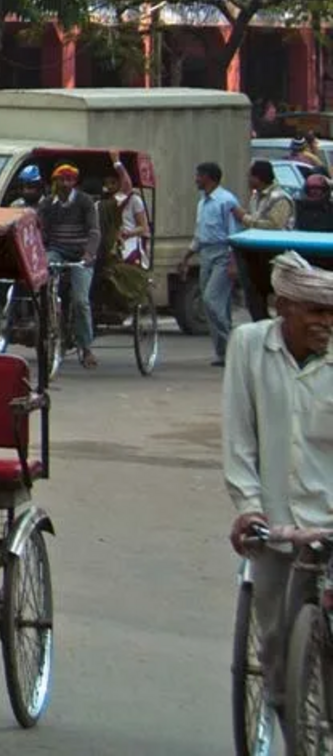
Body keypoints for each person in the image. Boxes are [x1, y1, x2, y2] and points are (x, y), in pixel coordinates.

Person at [225, 250, 333, 750]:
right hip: (277, 524)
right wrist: (248, 507)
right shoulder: (249, 347)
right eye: (316, 312)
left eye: (332, 314)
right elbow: (239, 440)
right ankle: (292, 731)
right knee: (276, 651)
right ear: (282, 308)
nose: (325, 324)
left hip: (330, 522)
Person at [39, 164, 104, 369]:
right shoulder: (47, 203)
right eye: (61, 180)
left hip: (80, 255)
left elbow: (94, 232)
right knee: (45, 272)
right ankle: (49, 314)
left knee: (80, 301)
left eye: (69, 180)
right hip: (56, 251)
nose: (65, 184)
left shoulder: (85, 202)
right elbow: (41, 231)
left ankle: (86, 348)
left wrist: (88, 254)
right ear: (55, 182)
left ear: (74, 182)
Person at [197, 161, 246, 366]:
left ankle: (233, 347)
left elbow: (234, 233)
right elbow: (200, 233)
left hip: (223, 254)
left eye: (199, 175)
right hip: (205, 254)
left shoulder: (226, 201)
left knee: (211, 300)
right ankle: (223, 353)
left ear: (209, 177)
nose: (196, 179)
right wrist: (187, 256)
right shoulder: (202, 202)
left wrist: (233, 262)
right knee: (217, 307)